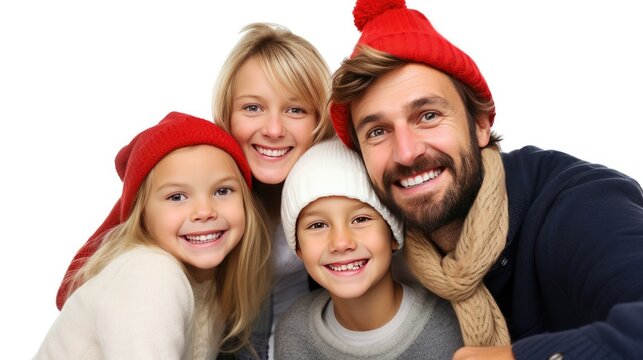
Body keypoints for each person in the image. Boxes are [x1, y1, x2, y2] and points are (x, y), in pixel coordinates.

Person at [329, 0, 643, 359]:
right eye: (377, 132)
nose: (406, 152)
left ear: (480, 124)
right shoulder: (369, 249)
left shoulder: (579, 204)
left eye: (428, 115)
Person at [43, 112, 271, 359]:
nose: (204, 212)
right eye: (176, 197)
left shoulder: (211, 286)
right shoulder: (150, 273)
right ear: (142, 215)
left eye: (223, 190)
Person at [211, 23, 336, 359]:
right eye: (253, 108)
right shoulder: (200, 189)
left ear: (319, 121)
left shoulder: (342, 187)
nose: (273, 130)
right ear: (227, 114)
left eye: (295, 110)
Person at [274, 138, 463, 359]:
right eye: (318, 225)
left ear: (393, 235)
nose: (341, 242)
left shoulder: (445, 325)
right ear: (298, 249)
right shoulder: (294, 332)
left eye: (360, 219)